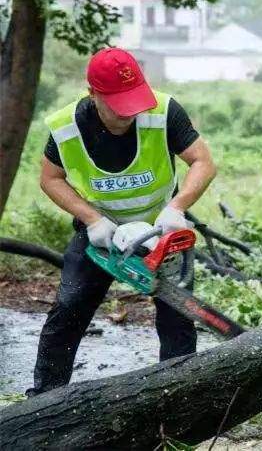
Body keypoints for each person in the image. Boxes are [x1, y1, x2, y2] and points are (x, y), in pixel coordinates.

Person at [27, 47, 217, 396]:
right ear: (93, 94)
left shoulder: (163, 111)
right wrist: (92, 219)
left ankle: (177, 400)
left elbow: (203, 162)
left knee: (177, 316)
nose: (129, 113)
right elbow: (50, 178)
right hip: (102, 234)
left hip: (162, 230)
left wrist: (178, 207)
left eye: (134, 101)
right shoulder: (66, 127)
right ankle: (43, 400)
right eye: (118, 105)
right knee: (68, 308)